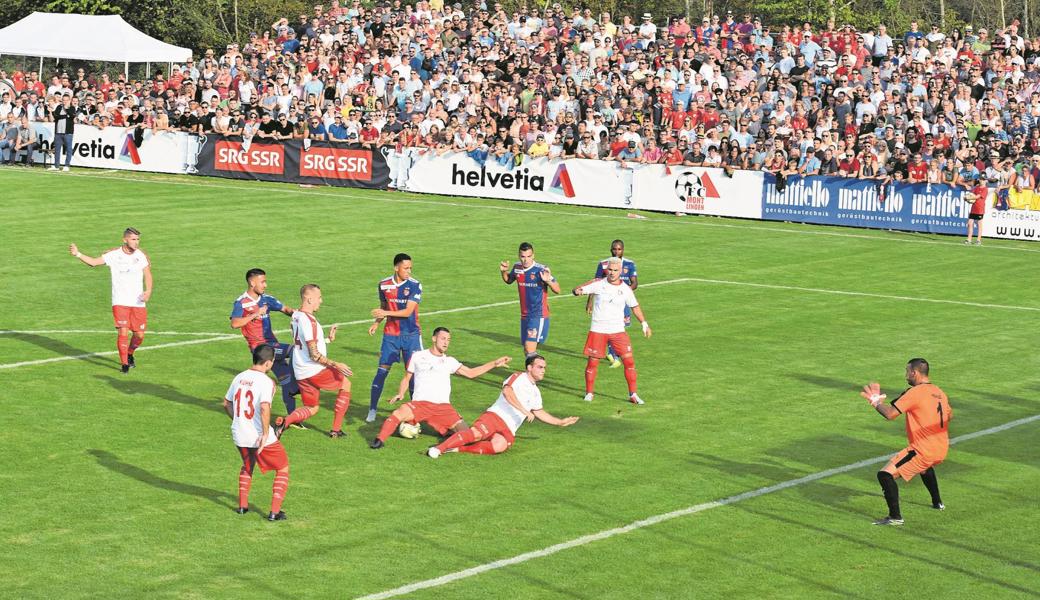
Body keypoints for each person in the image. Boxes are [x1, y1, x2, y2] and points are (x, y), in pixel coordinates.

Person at [370, 327, 511, 449]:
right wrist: (401, 393)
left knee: (468, 435)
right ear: (434, 338)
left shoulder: (450, 361)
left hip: (444, 408)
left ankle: (443, 430)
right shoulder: (418, 356)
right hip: (420, 404)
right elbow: (407, 377)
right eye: (443, 338)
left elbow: (471, 373)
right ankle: (379, 441)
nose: (446, 342)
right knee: (398, 413)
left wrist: (494, 363)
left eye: (448, 340)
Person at [426, 355, 578, 458]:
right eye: (540, 367)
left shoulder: (536, 392)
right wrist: (525, 411)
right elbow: (507, 392)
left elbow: (539, 411)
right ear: (529, 368)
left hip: (509, 428)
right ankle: (439, 449)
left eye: (544, 367)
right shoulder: (519, 377)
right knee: (476, 434)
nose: (543, 370)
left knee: (498, 446)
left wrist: (559, 422)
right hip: (496, 416)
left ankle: (457, 448)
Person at [861, 358, 951, 526]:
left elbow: (890, 414)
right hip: (941, 448)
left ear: (914, 372)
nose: (905, 375)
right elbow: (949, 415)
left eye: (906, 371)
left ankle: (895, 517)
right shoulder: (939, 392)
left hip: (923, 449)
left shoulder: (915, 392)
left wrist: (876, 402)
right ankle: (937, 503)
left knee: (885, 475)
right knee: (924, 467)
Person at [69, 228, 152, 373]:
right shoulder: (114, 255)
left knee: (139, 335)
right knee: (123, 332)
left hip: (138, 302)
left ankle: (130, 353)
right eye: (133, 239)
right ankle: (124, 365)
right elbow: (94, 262)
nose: (136, 242)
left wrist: (148, 290)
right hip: (120, 301)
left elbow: (148, 275)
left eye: (138, 239)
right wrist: (78, 254)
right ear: (124, 239)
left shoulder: (141, 256)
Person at [223, 344, 291, 521]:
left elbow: (226, 403)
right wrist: (265, 434)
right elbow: (264, 407)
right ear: (268, 363)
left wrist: (239, 420)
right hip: (259, 436)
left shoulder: (239, 377)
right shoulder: (265, 381)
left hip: (239, 434)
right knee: (282, 467)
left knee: (247, 465)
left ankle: (243, 507)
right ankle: (274, 512)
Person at [277, 284, 353, 437]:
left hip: (301, 371)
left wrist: (326, 340)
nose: (321, 301)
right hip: (313, 369)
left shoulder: (296, 316)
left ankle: (285, 422)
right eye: (319, 297)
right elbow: (314, 355)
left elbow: (304, 344)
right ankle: (336, 430)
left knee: (312, 407)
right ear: (309, 299)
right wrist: (335, 364)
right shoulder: (309, 321)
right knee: (346, 383)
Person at [572, 257, 652, 404]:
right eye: (610, 270)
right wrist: (578, 291)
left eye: (615, 270)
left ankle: (633, 394)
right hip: (598, 329)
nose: (612, 273)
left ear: (620, 271)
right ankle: (589, 393)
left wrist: (644, 323)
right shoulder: (598, 284)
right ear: (606, 270)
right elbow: (579, 290)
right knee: (593, 363)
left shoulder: (625, 289)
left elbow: (635, 306)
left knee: (629, 361)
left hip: (618, 331)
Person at [229, 268, 300, 419]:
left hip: (272, 345)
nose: (265, 285)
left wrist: (302, 314)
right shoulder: (241, 302)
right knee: (295, 350)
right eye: (262, 282)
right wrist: (255, 314)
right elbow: (235, 323)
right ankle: (298, 385)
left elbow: (285, 309)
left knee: (286, 379)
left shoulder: (267, 299)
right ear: (252, 282)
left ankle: (292, 419)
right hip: (260, 348)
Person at [366, 253, 423, 423]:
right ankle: (372, 409)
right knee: (381, 372)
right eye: (406, 268)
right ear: (396, 268)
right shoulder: (383, 285)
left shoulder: (415, 285)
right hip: (390, 335)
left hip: (411, 336)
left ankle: (415, 412)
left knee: (412, 374)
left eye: (411, 268)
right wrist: (377, 322)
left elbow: (407, 312)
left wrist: (385, 313)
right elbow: (384, 306)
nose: (409, 271)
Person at [499, 242, 560, 358]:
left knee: (529, 347)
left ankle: (534, 372)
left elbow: (558, 289)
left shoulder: (541, 270)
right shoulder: (517, 268)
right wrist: (503, 271)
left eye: (528, 256)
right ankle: (533, 372)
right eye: (522, 256)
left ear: (533, 256)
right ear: (519, 256)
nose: (525, 260)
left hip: (538, 315)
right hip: (524, 316)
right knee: (527, 352)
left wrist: (548, 281)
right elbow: (508, 280)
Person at [587, 240, 638, 368]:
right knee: (610, 327)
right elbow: (595, 284)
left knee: (621, 327)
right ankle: (612, 355)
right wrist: (590, 302)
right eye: (614, 249)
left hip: (622, 301)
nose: (616, 251)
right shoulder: (603, 264)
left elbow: (635, 283)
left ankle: (613, 351)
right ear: (611, 250)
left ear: (623, 250)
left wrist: (623, 293)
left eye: (619, 249)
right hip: (606, 304)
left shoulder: (630, 264)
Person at [50, 94, 77, 172]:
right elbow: (56, 116)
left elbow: (72, 116)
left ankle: (67, 165)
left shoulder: (72, 108)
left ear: (69, 100)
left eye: (66, 100)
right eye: (63, 100)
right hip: (58, 132)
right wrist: (66, 115)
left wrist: (66, 110)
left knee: (69, 149)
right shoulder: (59, 107)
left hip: (68, 132)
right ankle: (56, 165)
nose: (64, 102)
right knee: (57, 149)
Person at [965, 178, 987, 245]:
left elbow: (977, 197)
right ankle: (969, 239)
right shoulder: (976, 187)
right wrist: (967, 199)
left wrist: (968, 198)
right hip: (974, 208)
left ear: (985, 181)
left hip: (980, 208)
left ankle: (978, 240)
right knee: (969, 223)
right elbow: (972, 195)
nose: (981, 181)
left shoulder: (985, 189)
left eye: (983, 179)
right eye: (981, 179)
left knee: (979, 224)